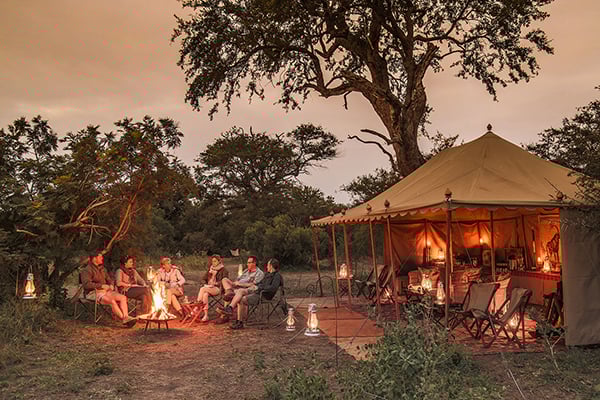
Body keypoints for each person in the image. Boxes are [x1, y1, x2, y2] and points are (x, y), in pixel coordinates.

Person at [81, 251, 136, 327]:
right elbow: (86, 285)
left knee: (123, 297)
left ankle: (126, 317)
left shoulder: (102, 269)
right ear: (94, 258)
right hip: (93, 292)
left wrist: (111, 285)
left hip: (106, 291)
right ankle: (124, 319)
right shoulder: (87, 270)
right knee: (111, 301)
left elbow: (109, 279)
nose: (102, 258)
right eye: (100, 257)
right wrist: (101, 286)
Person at [223, 258, 282, 329]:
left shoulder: (277, 276)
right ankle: (230, 308)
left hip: (263, 295)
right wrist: (256, 286)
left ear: (271, 266)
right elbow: (260, 283)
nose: (267, 266)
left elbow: (273, 288)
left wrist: (259, 287)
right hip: (257, 291)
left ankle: (239, 322)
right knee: (240, 291)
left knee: (241, 300)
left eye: (268, 265)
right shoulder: (267, 274)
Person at [196, 254, 229, 322]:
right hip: (209, 288)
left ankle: (197, 307)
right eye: (212, 261)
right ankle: (206, 315)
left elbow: (225, 281)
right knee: (205, 294)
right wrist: (205, 283)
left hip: (218, 288)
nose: (213, 263)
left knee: (202, 289)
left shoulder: (224, 270)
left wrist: (215, 283)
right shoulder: (210, 269)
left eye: (215, 261)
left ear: (219, 261)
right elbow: (203, 278)